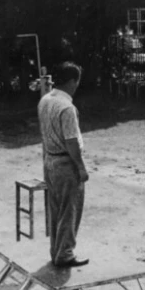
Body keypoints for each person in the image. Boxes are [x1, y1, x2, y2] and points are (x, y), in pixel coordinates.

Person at [38, 62, 89, 268]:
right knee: (70, 209)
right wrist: (81, 167)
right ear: (71, 81)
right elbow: (71, 141)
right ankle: (65, 253)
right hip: (65, 162)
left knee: (56, 209)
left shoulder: (45, 100)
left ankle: (56, 251)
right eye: (76, 81)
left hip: (50, 159)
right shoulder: (67, 107)